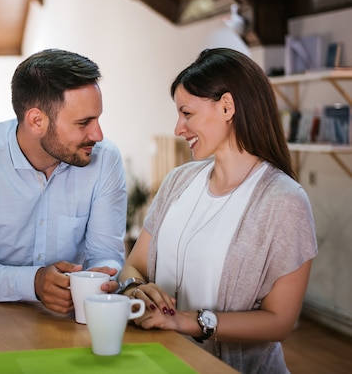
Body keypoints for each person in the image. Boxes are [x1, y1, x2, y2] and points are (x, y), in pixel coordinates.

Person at [117, 48, 317, 373]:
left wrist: (186, 321)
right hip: (157, 363)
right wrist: (137, 289)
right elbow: (133, 266)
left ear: (227, 106)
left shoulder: (284, 201)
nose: (178, 129)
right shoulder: (178, 182)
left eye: (187, 113)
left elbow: (280, 321)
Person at [0, 48, 127, 314]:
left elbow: (106, 254)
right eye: (84, 123)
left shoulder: (105, 160)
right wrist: (35, 282)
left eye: (97, 119)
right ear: (37, 120)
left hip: (72, 319)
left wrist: (101, 278)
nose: (98, 134)